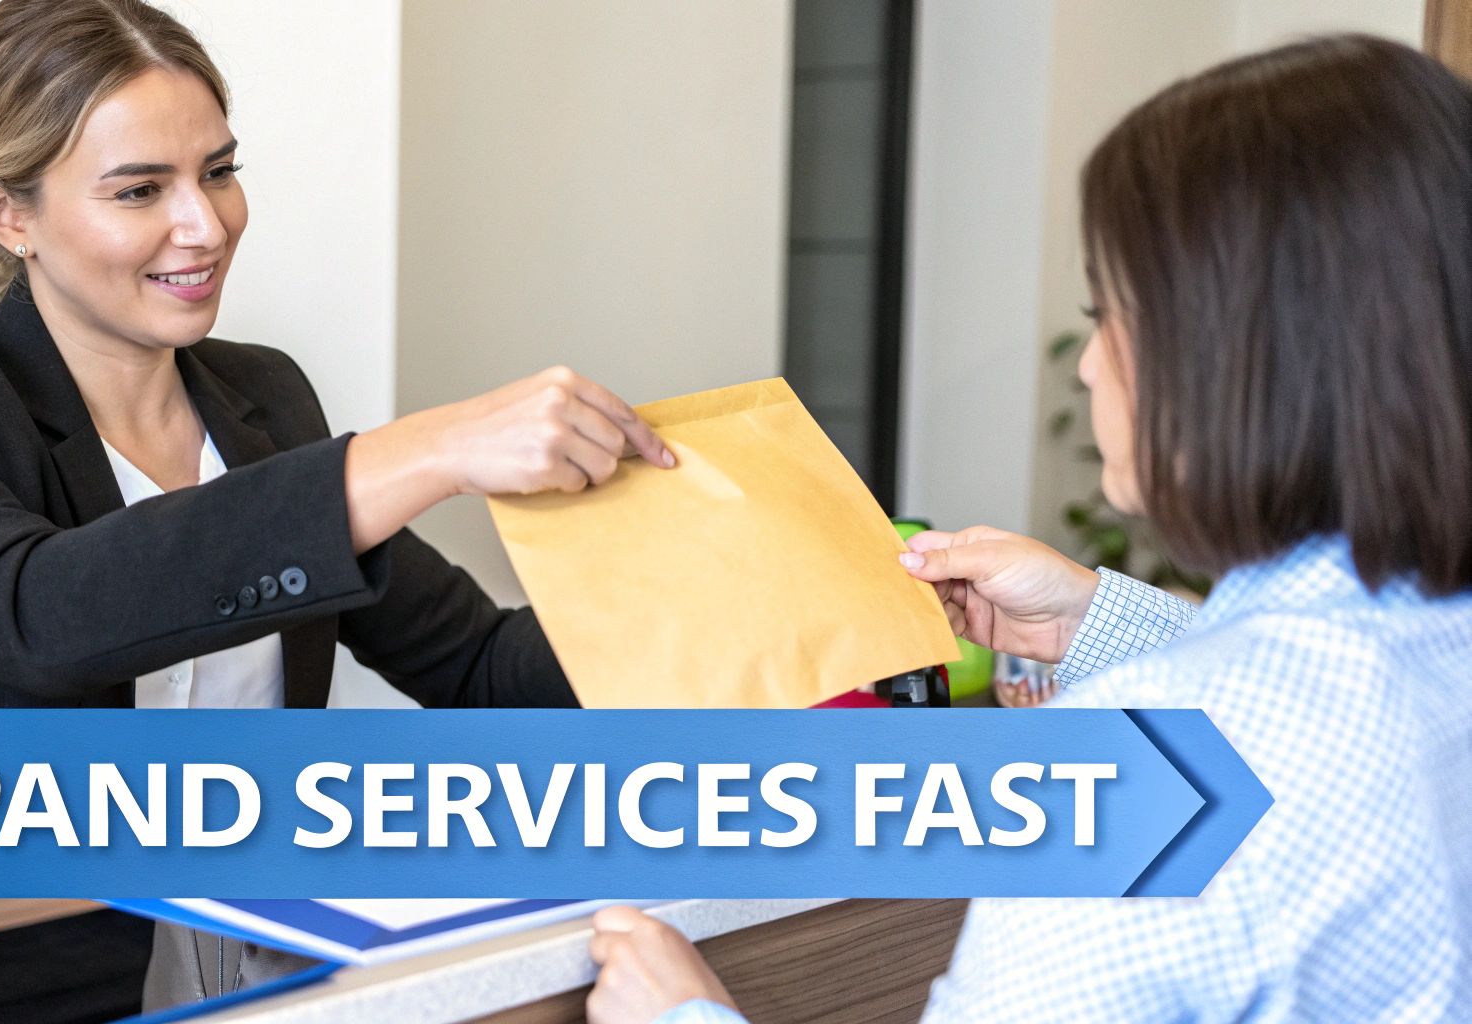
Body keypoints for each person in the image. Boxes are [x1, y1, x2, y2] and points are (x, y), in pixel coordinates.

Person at [0, 0, 671, 1005]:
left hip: (265, 978)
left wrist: (723, 586)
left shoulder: (263, 401)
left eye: (218, 171)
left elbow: (476, 665)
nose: (205, 225)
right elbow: (40, 614)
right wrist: (423, 450)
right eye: (140, 189)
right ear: (8, 213)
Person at [586, 34, 1472, 1023]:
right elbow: (1317, 713)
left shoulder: (1138, 778)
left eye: (1110, 315)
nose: (1088, 366)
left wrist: (678, 1016)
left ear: (1234, 355)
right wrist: (1094, 621)